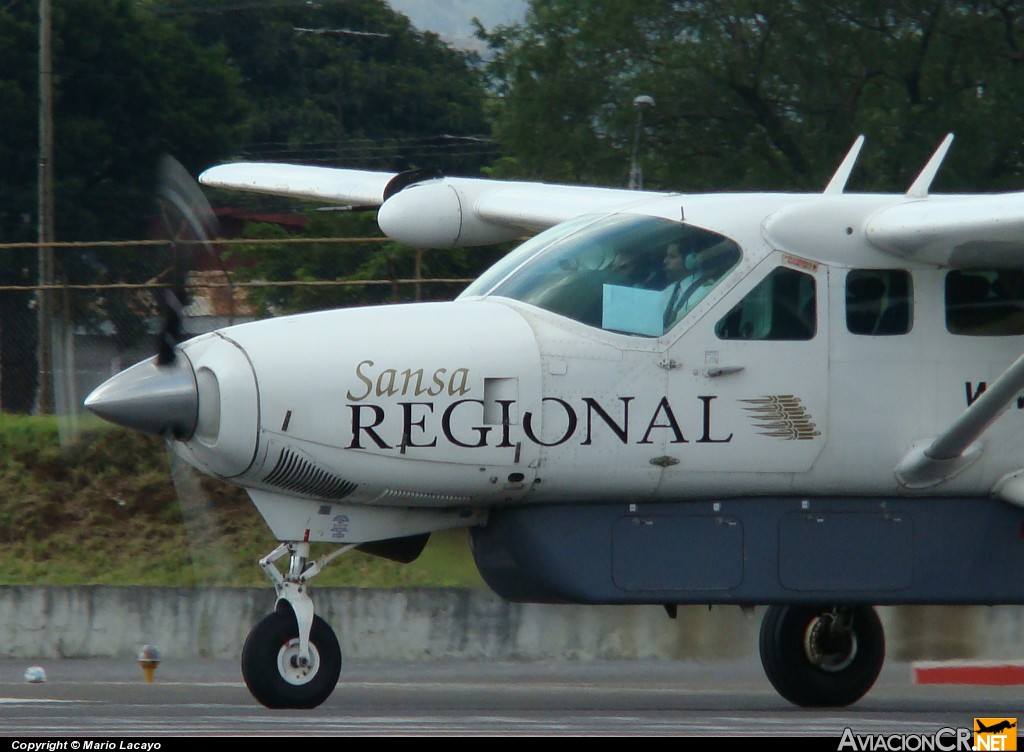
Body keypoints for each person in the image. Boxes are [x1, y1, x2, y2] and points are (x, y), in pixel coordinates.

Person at [662, 240, 738, 330]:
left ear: (689, 260)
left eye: (672, 257)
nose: (665, 261)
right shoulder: (670, 290)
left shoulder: (707, 291)